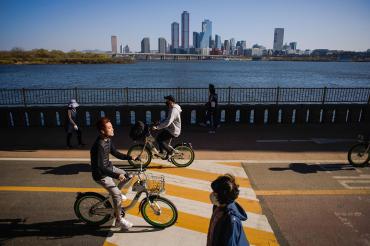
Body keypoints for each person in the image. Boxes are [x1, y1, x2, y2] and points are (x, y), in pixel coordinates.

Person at [90, 117, 134, 230]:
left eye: (111, 126)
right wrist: (117, 175)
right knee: (117, 195)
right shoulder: (99, 145)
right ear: (102, 131)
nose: (112, 129)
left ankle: (116, 194)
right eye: (109, 127)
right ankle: (119, 220)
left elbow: (115, 153)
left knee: (128, 175)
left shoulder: (107, 140)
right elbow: (101, 167)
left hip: (109, 168)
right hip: (101, 175)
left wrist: (130, 157)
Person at [207, 174, 249, 246]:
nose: (212, 194)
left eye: (215, 193)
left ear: (221, 196)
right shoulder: (217, 207)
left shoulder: (231, 221)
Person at [152, 95, 182, 160]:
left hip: (173, 130)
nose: (166, 102)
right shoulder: (173, 107)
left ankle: (169, 151)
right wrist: (159, 122)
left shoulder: (173, 110)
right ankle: (162, 152)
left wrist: (157, 127)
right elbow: (167, 119)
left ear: (171, 102)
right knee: (159, 137)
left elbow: (168, 122)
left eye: (167, 101)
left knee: (159, 139)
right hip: (171, 128)